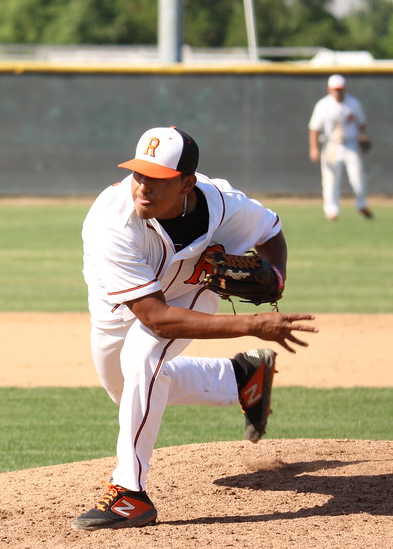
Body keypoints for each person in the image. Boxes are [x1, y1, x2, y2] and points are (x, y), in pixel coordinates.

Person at [73, 126, 319, 531]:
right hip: (118, 308)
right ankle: (240, 378)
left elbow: (271, 231)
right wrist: (253, 324)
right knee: (125, 389)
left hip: (189, 296)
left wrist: (276, 277)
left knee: (142, 358)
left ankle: (129, 493)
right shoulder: (112, 221)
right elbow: (153, 314)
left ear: (187, 182)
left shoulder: (224, 206)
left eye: (159, 179)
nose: (143, 187)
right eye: (139, 174)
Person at [308, 74, 373, 220]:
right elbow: (314, 129)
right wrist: (314, 148)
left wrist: (362, 135)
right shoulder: (323, 105)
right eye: (335, 89)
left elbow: (361, 123)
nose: (338, 92)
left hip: (351, 144)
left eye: (340, 89)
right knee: (330, 179)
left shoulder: (353, 103)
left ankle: (361, 204)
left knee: (358, 177)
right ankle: (332, 210)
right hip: (331, 145)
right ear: (329, 89)